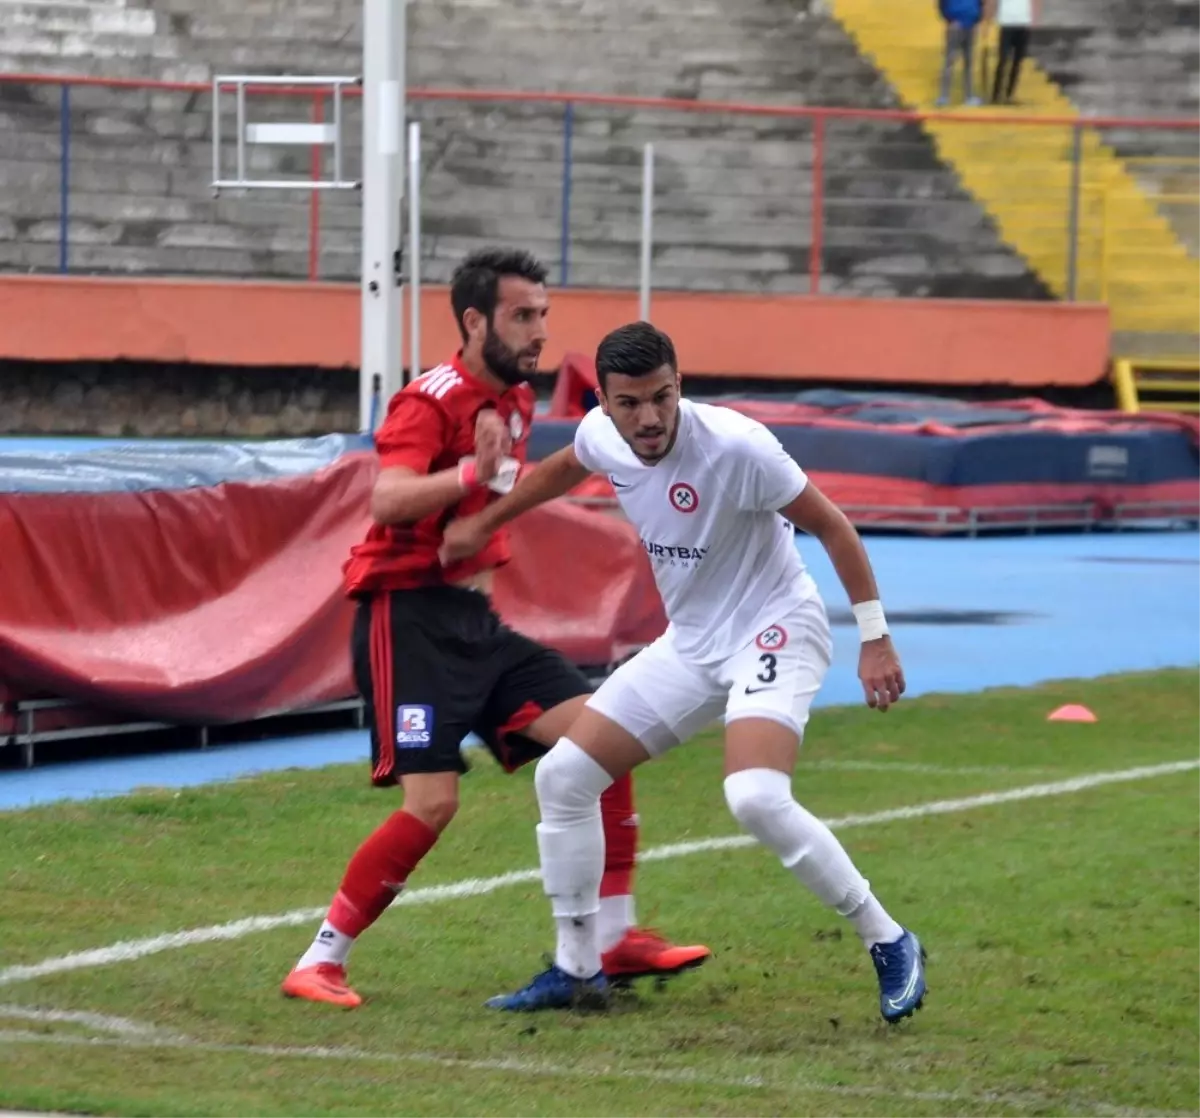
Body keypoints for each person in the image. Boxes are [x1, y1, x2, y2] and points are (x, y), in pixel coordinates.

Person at [440, 321, 928, 1022]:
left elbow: (833, 526)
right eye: (629, 403)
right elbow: (566, 466)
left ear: (680, 386)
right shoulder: (604, 434)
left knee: (756, 797)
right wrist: (489, 522)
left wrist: (875, 637)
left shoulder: (737, 446)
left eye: (661, 398)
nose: (648, 417)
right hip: (693, 643)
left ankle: (888, 937)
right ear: (605, 402)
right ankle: (578, 971)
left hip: (776, 624)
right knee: (564, 777)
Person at [280, 252, 710, 1009]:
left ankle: (614, 937)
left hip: (474, 623)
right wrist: (471, 481)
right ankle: (320, 960)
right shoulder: (430, 399)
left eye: (543, 314)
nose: (541, 330)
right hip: (406, 622)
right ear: (475, 320)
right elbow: (387, 500)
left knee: (605, 740)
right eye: (523, 316)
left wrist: (481, 521)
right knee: (433, 805)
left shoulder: (512, 399)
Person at [988, 0, 1039, 104]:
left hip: (1023, 22)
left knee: (1017, 61)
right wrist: (989, 17)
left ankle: (1009, 94)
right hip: (1006, 22)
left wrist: (1034, 18)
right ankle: (996, 94)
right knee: (1003, 59)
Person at [937, 0, 985, 107]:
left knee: (969, 62)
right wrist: (950, 20)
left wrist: (977, 20)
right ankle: (944, 96)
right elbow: (941, 4)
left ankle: (969, 96)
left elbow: (981, 3)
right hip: (955, 26)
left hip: (971, 26)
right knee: (949, 61)